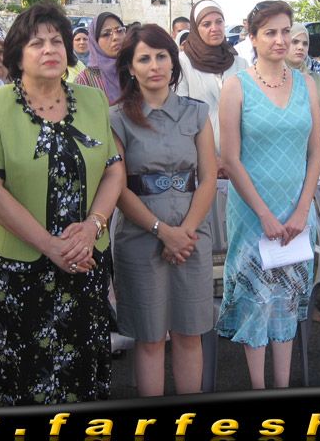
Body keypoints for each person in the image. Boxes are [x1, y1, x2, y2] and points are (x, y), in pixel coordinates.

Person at [0, 1, 125, 406]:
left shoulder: (93, 100)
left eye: (56, 41)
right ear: (18, 55)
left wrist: (93, 226)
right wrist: (50, 245)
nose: (49, 49)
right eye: (37, 43)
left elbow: (113, 170)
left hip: (84, 259)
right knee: (16, 376)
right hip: (17, 268)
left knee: (78, 373)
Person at [216, 0, 320, 389]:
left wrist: (302, 210)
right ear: (253, 37)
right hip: (252, 214)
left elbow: (316, 153)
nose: (280, 40)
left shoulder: (306, 84)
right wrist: (263, 214)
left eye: (286, 31)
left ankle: (283, 386)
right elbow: (230, 158)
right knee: (256, 300)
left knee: (287, 299)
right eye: (270, 32)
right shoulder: (236, 86)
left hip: (297, 210)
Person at [110, 24, 217, 396]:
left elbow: (208, 178)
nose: (154, 65)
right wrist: (162, 231)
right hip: (140, 238)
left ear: (173, 62)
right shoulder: (116, 118)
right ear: (130, 67)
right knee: (151, 337)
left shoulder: (197, 114)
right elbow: (118, 187)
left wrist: (184, 233)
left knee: (189, 333)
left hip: (192, 237)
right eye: (144, 58)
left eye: (161, 56)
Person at [177, 0, 247, 160]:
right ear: (195, 29)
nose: (214, 28)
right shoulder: (183, 63)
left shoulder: (240, 63)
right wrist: (210, 158)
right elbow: (182, 114)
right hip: (200, 155)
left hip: (240, 155)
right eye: (206, 24)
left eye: (219, 22)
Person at [286, 22, 320, 171]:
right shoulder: (274, 80)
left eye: (305, 43)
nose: (300, 47)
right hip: (287, 163)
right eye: (295, 42)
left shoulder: (316, 79)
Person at [75, 11, 127, 105]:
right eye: (106, 34)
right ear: (95, 41)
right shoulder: (85, 81)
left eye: (119, 30)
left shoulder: (136, 70)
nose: (115, 37)